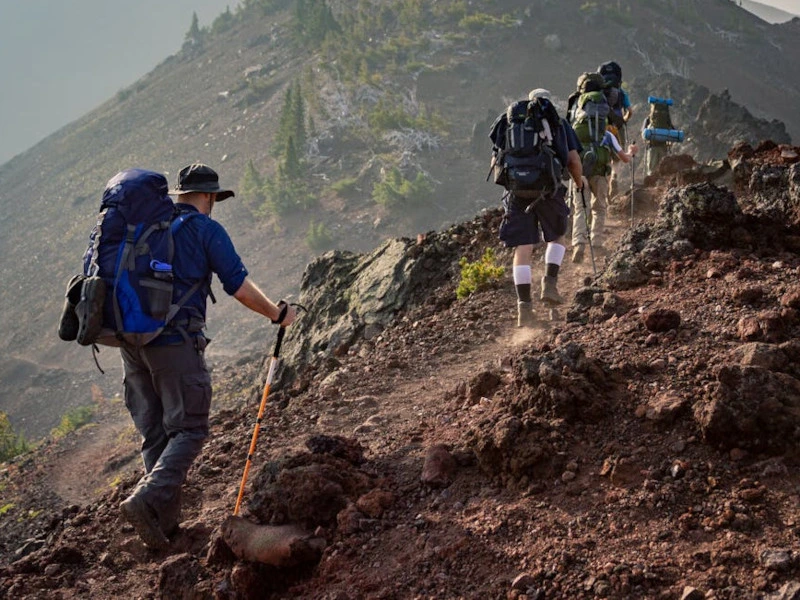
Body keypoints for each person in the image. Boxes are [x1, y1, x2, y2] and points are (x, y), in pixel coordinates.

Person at [119, 163, 297, 549]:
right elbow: (239, 286)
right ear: (210, 196)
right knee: (190, 429)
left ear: (179, 193)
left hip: (130, 343)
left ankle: (163, 529)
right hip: (175, 342)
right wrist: (277, 314)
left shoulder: (148, 227)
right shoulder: (205, 229)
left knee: (157, 433)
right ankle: (146, 500)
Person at [495, 88, 586, 328]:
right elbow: (573, 161)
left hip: (516, 194)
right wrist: (579, 183)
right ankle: (550, 284)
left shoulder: (508, 122)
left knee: (523, 248)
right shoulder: (558, 123)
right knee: (556, 237)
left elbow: (496, 161)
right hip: (549, 190)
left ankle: (524, 309)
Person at [570, 125, 638, 263]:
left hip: (579, 175)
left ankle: (579, 244)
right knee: (599, 209)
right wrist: (631, 152)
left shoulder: (575, 131)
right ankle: (596, 244)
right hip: (600, 176)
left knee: (581, 209)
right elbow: (624, 158)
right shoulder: (607, 135)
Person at [642, 99, 675, 176]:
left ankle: (652, 181)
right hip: (663, 147)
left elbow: (643, 134)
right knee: (663, 170)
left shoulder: (649, 119)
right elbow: (672, 132)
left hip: (652, 147)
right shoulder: (666, 120)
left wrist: (646, 141)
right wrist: (670, 143)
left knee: (652, 171)